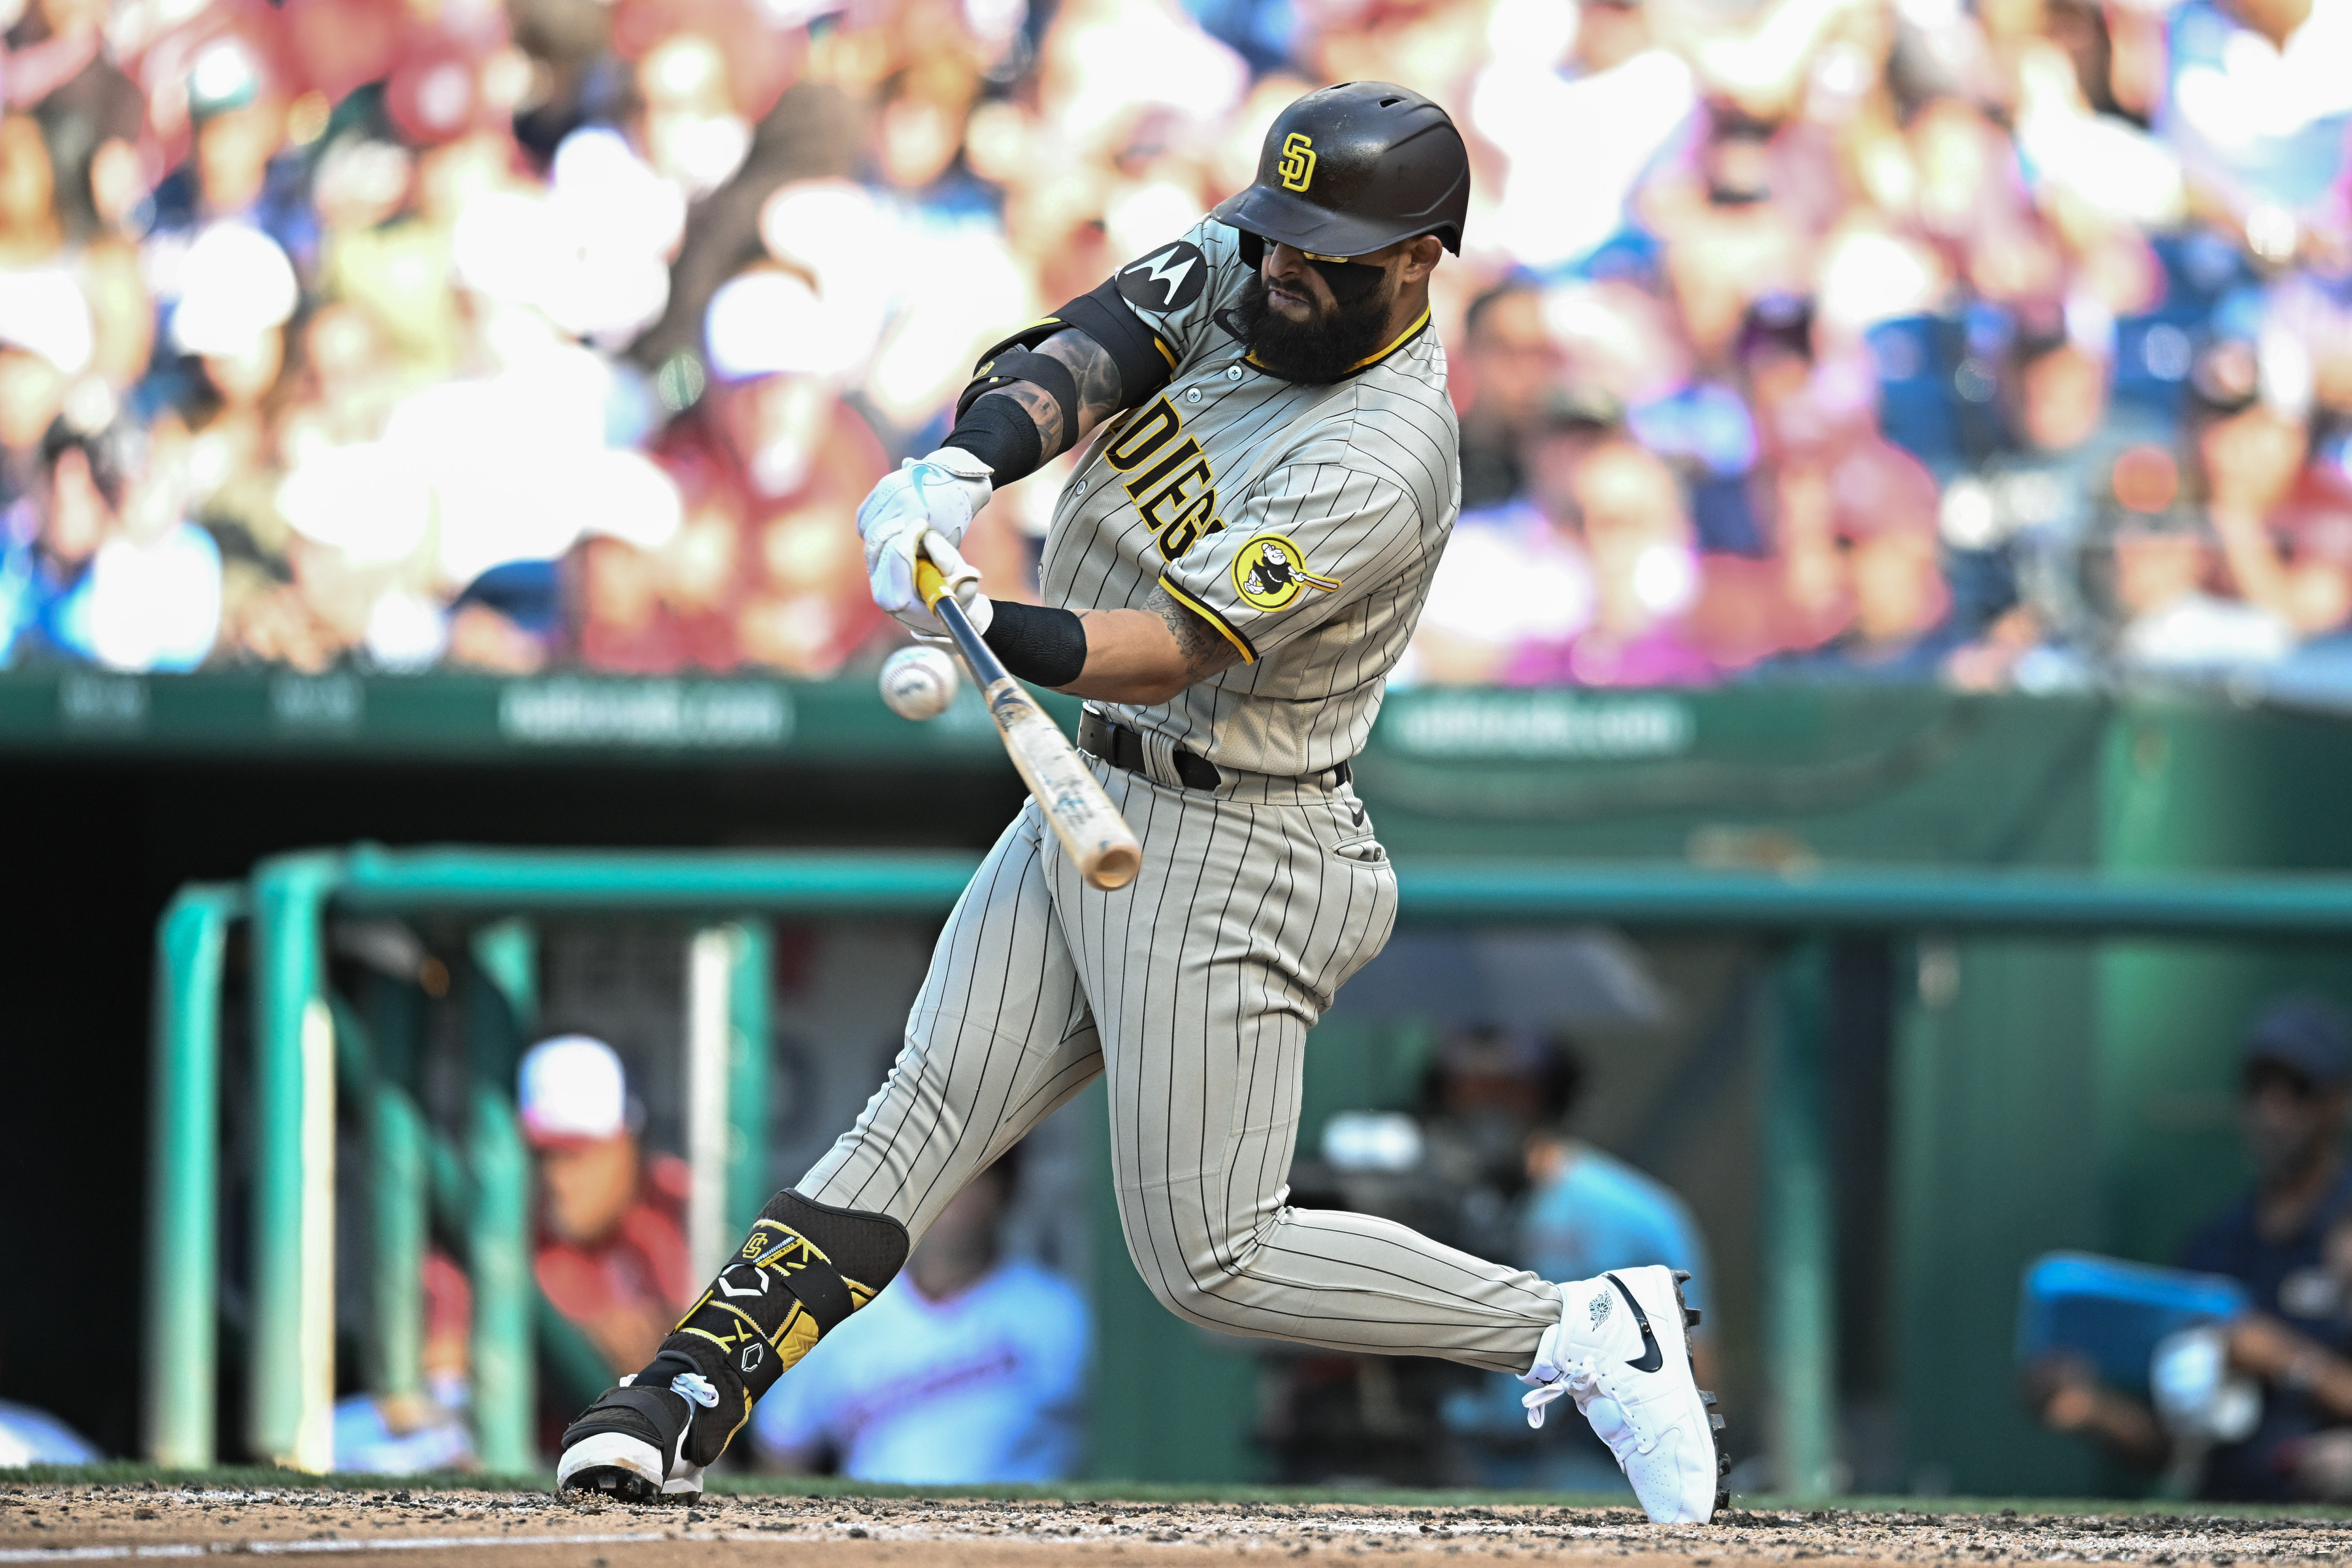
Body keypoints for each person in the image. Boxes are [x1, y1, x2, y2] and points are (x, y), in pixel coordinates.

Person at [554, 82, 1725, 1526]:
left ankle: (1583, 1330)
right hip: (1100, 780)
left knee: (1209, 1259)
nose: (1282, 273)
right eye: (1278, 239)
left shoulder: (1386, 456)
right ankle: (684, 1392)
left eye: (1327, 259)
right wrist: (965, 463)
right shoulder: (1268, 253)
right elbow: (1099, 345)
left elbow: (1173, 649)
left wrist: (989, 614)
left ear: (1422, 258)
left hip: (1242, 831)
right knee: (927, 1102)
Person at [2027, 996, 2352, 1500]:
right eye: (2257, 1088)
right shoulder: (2215, 1243)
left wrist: (2287, 1361)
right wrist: (2088, 1409)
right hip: (2221, 1523)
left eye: (2297, 1091)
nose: (2272, 1110)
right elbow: (2169, 1444)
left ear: (2337, 1102)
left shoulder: (2344, 1231)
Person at [749, 1147, 1087, 1483]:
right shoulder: (839, 1311)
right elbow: (782, 1453)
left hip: (1020, 1529)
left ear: (1006, 1187)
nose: (951, 1195)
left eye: (969, 1177)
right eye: (935, 1178)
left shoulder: (1058, 1312)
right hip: (873, 1529)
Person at [521, 1034, 696, 1377]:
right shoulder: (510, 1231)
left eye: (576, 1154)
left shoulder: (678, 1206)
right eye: (543, 1156)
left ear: (626, 1146)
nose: (556, 1178)